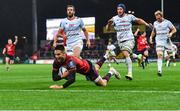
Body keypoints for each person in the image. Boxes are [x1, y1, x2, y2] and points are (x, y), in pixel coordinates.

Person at [106, 3, 152, 80]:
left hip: (129, 39)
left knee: (125, 53)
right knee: (125, 54)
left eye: (120, 9)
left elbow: (138, 20)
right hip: (120, 41)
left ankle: (130, 73)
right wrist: (109, 23)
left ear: (124, 10)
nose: (119, 10)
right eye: (118, 9)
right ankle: (138, 57)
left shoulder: (129, 17)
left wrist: (147, 24)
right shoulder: (114, 18)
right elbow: (108, 29)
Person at [49, 45, 120, 89]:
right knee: (97, 67)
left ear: (64, 53)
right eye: (55, 54)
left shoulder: (70, 61)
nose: (56, 57)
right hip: (84, 63)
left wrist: (61, 86)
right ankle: (106, 56)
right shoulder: (56, 62)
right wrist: (62, 76)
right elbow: (54, 78)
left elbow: (72, 79)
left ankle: (111, 71)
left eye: (58, 54)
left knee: (103, 84)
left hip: (89, 70)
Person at [150, 10, 177, 76]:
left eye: (159, 18)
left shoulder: (167, 22)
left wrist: (171, 33)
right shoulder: (155, 23)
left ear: (161, 16)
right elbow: (154, 31)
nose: (158, 19)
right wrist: (151, 37)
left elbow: (174, 29)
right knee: (159, 54)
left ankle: (170, 61)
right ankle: (159, 70)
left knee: (171, 56)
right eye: (156, 18)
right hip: (159, 41)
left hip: (167, 41)